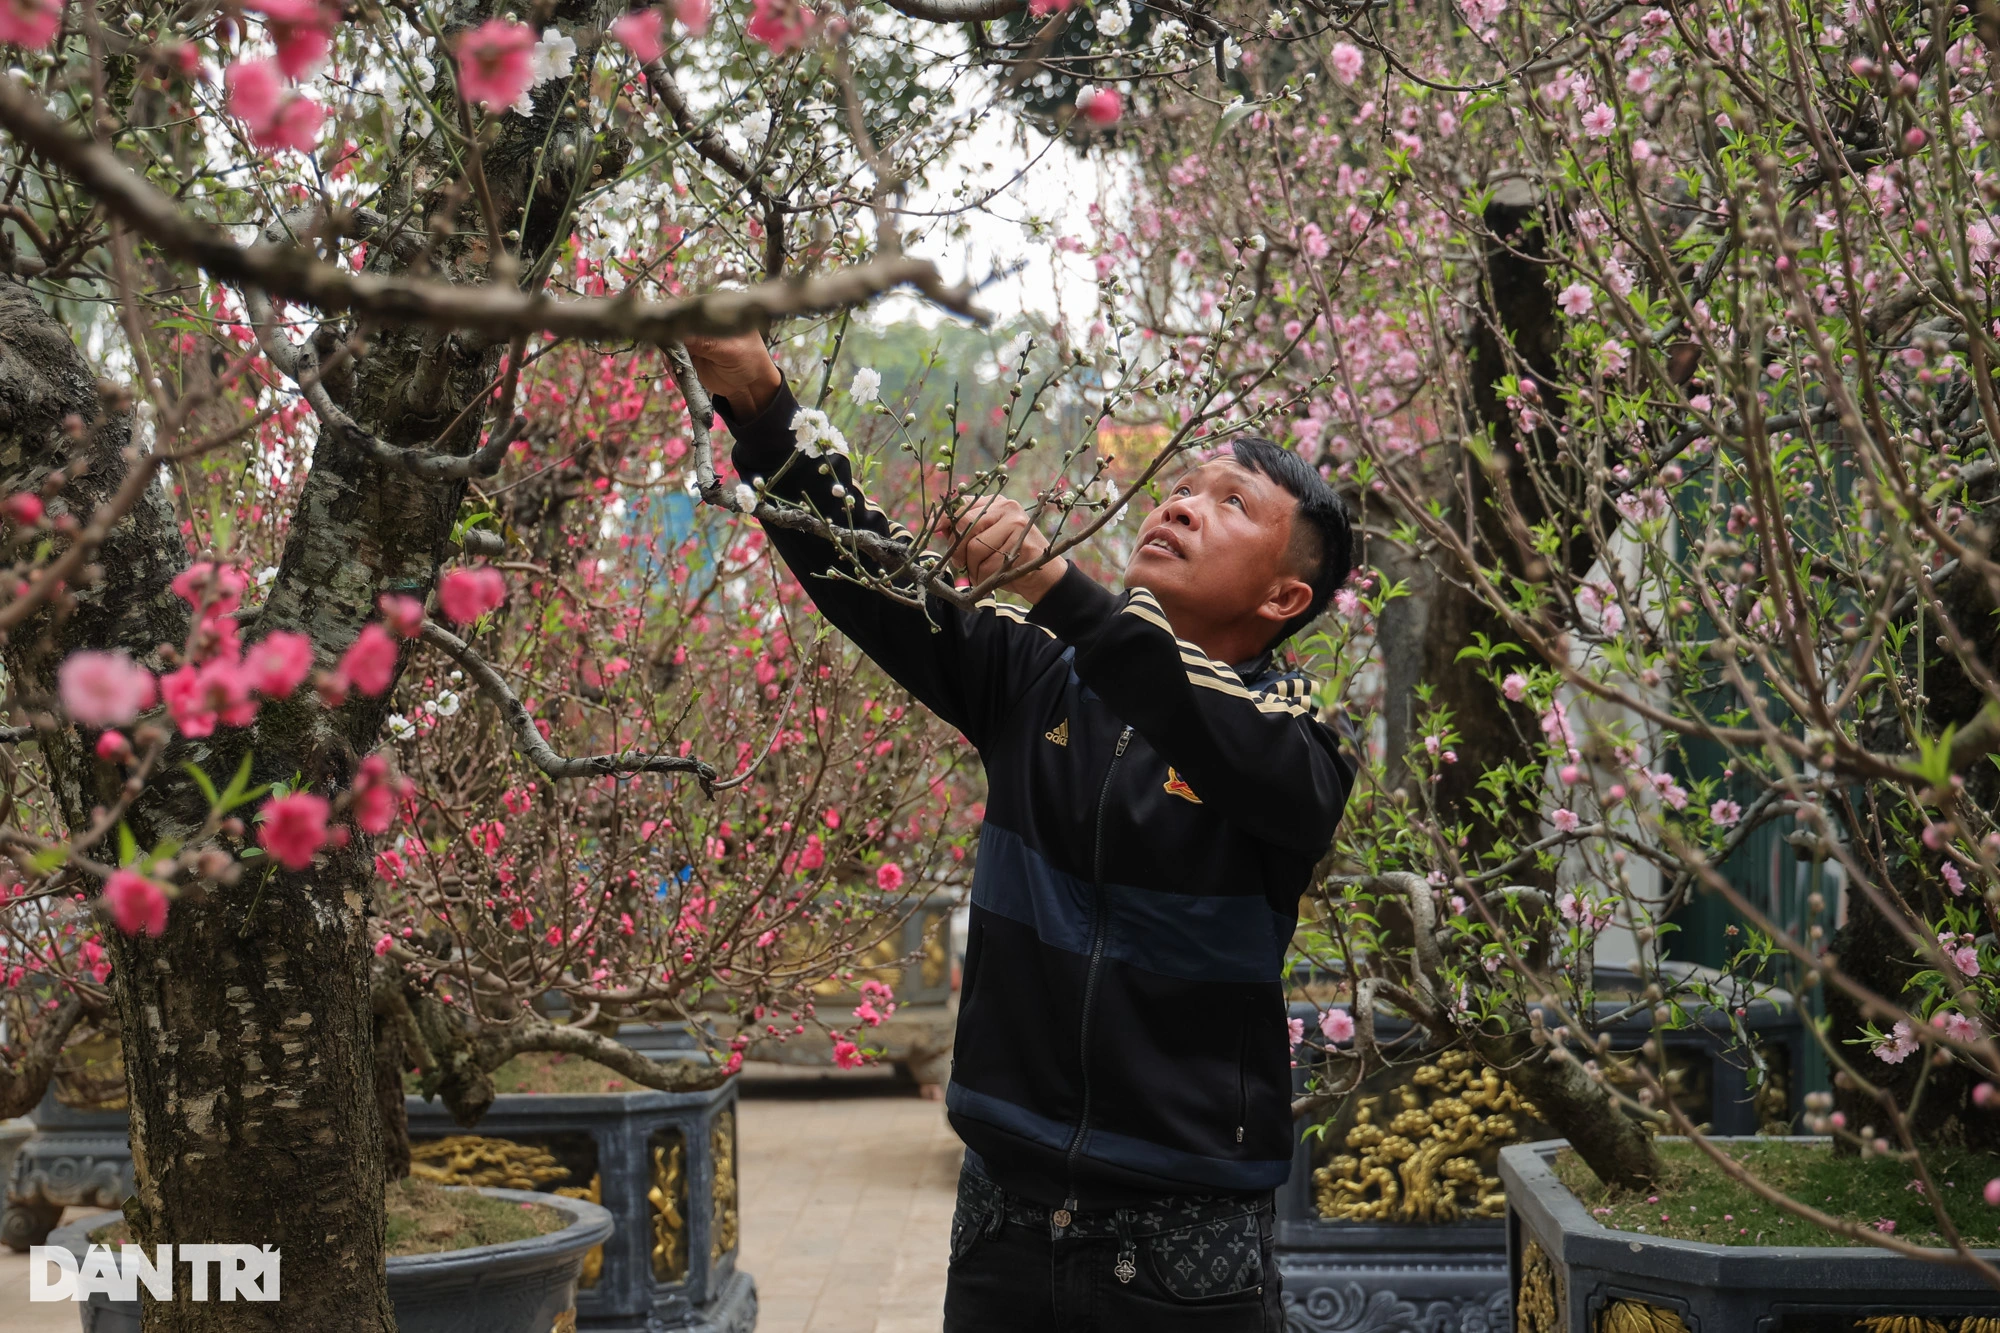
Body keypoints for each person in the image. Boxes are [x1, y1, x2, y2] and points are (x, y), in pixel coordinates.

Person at [686, 331, 1354, 1332]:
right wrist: (756, 399)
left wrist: (1056, 585)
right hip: (1004, 1226)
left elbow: (1200, 720)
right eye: (1184, 486)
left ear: (1282, 597)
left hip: (1185, 1255)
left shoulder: (1297, 746)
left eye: (1231, 504)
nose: (1180, 503)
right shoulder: (1037, 674)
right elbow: (865, 577)